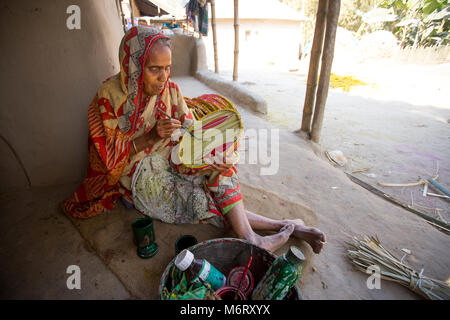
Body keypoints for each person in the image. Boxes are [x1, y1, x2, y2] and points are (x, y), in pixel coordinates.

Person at [63, 26, 326, 253]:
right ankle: (282, 227)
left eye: (167, 68)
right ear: (132, 65)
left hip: (170, 155)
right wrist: (151, 136)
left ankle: (254, 237)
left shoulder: (170, 89)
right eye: (154, 69)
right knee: (199, 201)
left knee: (219, 170)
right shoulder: (109, 96)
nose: (163, 77)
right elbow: (109, 159)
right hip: (139, 171)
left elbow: (194, 132)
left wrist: (215, 155)